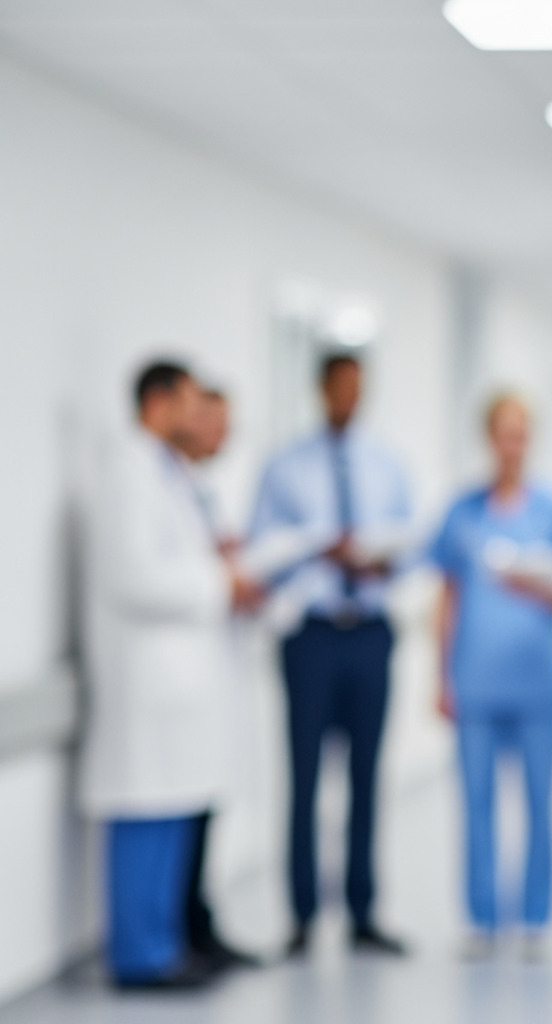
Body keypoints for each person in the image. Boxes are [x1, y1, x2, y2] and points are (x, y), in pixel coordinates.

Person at [78, 361, 263, 989]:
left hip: (180, 686)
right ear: (159, 402)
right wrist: (220, 581)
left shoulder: (166, 474)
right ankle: (139, 956)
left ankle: (165, 944)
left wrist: (224, 571)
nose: (200, 415)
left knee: (172, 813)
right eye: (190, 401)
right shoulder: (127, 472)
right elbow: (131, 577)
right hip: (146, 687)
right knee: (145, 816)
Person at [249, 352, 414, 957]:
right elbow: (260, 549)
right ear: (321, 389)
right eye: (340, 387)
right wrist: (318, 550)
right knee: (304, 777)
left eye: (358, 388)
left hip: (369, 631)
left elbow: (410, 547)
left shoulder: (387, 464)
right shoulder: (284, 467)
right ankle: (300, 915)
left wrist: (376, 559)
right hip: (311, 636)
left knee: (368, 778)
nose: (350, 397)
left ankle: (363, 911)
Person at [430, 394, 552, 958]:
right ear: (488, 438)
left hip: (537, 682)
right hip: (475, 679)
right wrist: (441, 677)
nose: (511, 444)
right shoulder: (463, 513)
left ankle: (536, 920)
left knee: (542, 802)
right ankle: (482, 919)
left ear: (531, 439)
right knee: (475, 801)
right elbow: (445, 596)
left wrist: (543, 584)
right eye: (503, 433)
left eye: (521, 433)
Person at [173, 385, 261, 971]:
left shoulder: (198, 492)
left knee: (204, 805)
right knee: (181, 805)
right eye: (216, 423)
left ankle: (199, 923)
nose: (224, 436)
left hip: (206, 679)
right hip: (178, 683)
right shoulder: (162, 487)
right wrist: (222, 576)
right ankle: (182, 929)